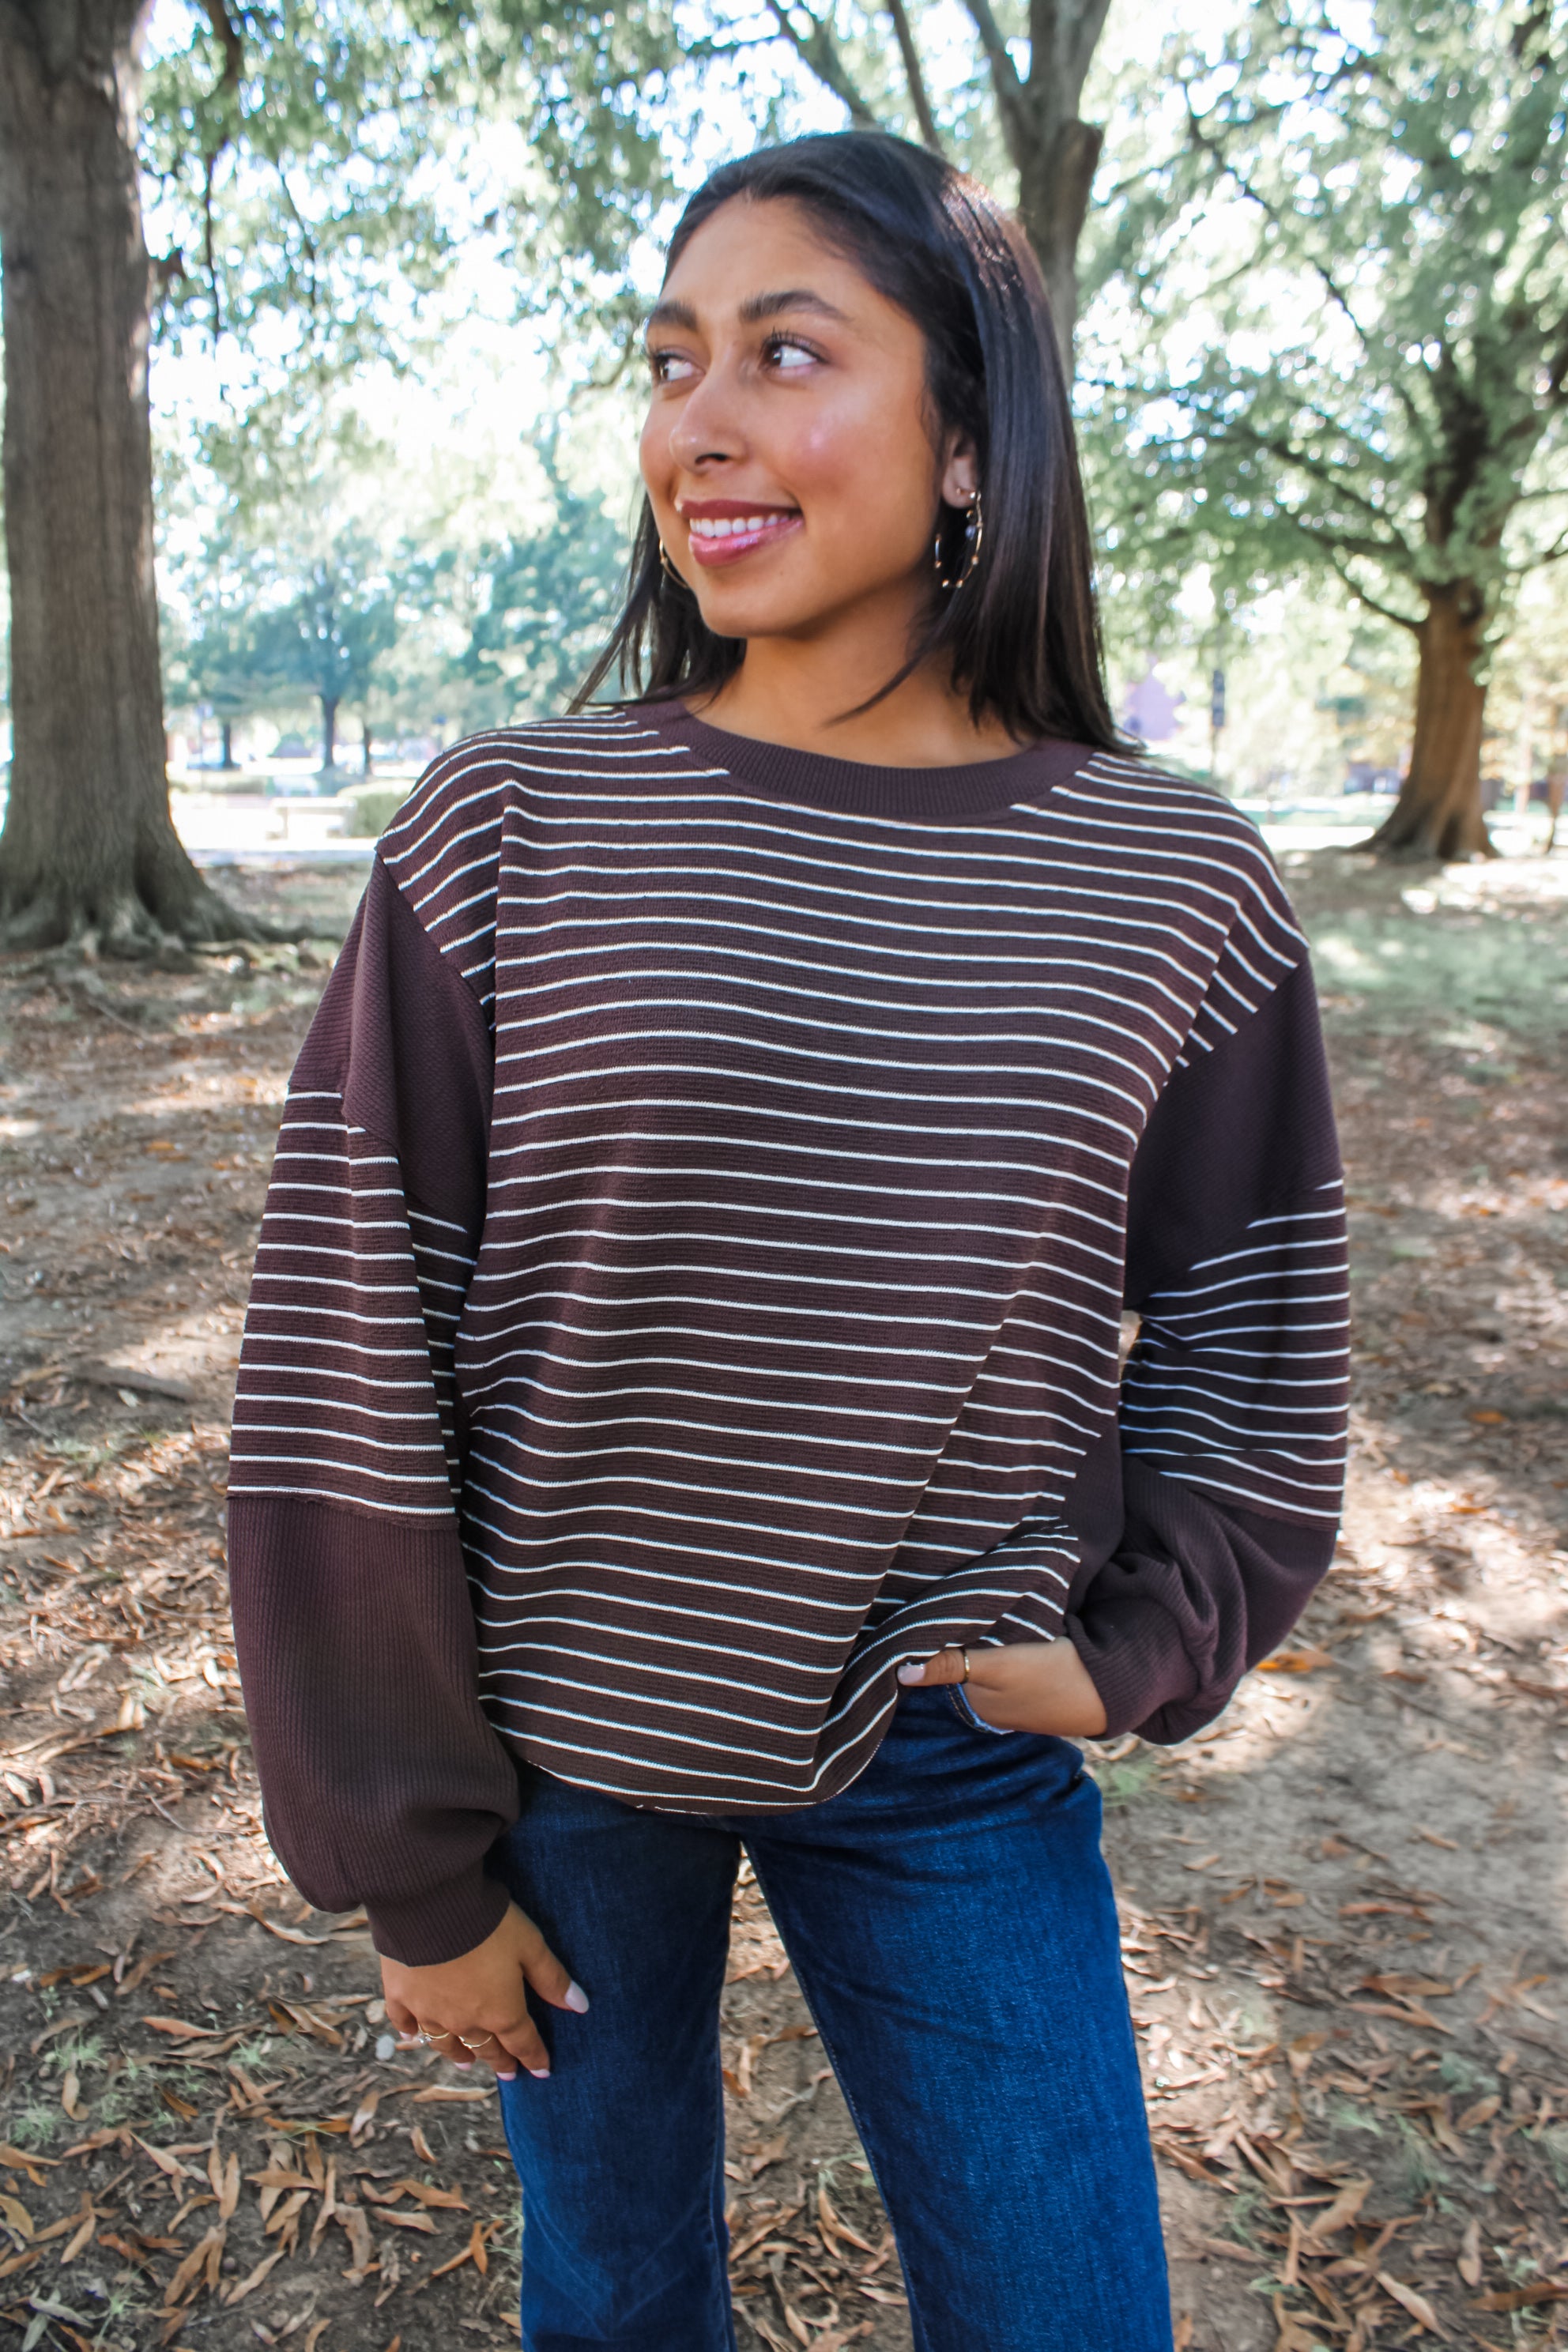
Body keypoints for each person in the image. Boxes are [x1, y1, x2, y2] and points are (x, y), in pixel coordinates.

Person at [228, 130, 1348, 2352]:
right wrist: (413, 1859)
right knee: (618, 2297)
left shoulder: (1173, 881)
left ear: (971, 440)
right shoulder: (510, 826)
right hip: (555, 1741)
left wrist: (1145, 1639)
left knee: (1066, 2311)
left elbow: (1254, 1313)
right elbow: (350, 1342)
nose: (702, 424)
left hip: (946, 1743)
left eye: (788, 353)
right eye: (672, 364)